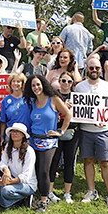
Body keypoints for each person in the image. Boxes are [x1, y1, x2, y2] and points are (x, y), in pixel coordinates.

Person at [75, 58, 108, 208]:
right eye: (91, 68)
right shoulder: (79, 87)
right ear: (87, 69)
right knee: (88, 161)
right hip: (85, 130)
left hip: (104, 131)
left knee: (105, 162)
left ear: (101, 69)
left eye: (97, 68)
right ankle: (91, 190)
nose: (94, 71)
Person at [25, 74, 71, 212]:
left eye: (38, 84)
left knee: (44, 170)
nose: (36, 87)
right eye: (33, 85)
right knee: (34, 169)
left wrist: (61, 131)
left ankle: (44, 200)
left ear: (43, 84)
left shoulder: (54, 99)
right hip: (33, 140)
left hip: (49, 141)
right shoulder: (32, 102)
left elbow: (67, 114)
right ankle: (33, 196)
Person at [48, 71, 80, 204]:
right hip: (56, 132)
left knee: (69, 161)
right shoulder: (53, 96)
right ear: (59, 82)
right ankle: (49, 191)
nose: (66, 84)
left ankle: (67, 192)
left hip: (72, 132)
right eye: (63, 81)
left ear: (72, 84)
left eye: (69, 82)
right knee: (53, 162)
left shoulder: (77, 97)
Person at [0, 123, 37, 209]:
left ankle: (22, 198)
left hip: (27, 184)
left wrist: (8, 182)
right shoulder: (8, 147)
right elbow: (2, 162)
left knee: (5, 190)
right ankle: (4, 200)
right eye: (13, 131)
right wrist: (6, 171)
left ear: (23, 135)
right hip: (12, 178)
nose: (14, 134)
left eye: (17, 132)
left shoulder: (29, 152)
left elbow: (26, 176)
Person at [0, 73, 30, 145]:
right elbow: (3, 121)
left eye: (18, 81)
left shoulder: (29, 99)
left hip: (27, 135)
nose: (15, 83)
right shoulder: (5, 101)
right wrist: (2, 136)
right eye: (13, 81)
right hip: (11, 136)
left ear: (22, 84)